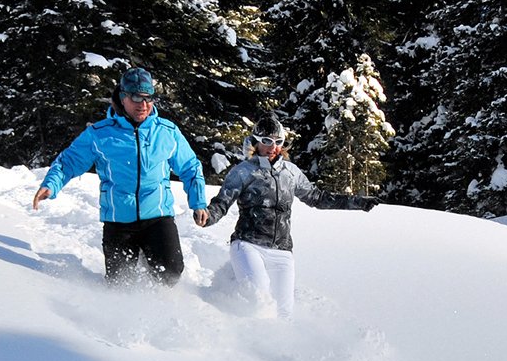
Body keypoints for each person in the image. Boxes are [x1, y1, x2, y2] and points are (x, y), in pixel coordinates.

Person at [32, 67, 209, 286]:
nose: (143, 105)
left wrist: (198, 202)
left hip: (158, 216)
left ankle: (150, 261)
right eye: (136, 97)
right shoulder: (100, 134)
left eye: (148, 98)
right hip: (118, 220)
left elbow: (190, 167)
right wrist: (51, 184)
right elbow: (69, 161)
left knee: (171, 273)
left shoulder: (166, 132)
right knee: (119, 283)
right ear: (123, 97)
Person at [199, 116, 377, 318]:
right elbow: (222, 202)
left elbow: (317, 198)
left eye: (278, 142)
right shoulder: (243, 172)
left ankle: (274, 348)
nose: (272, 147)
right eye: (266, 141)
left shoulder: (290, 172)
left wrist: (357, 202)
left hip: (282, 251)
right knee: (259, 299)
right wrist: (208, 217)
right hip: (248, 245)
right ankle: (233, 335)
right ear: (256, 142)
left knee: (283, 313)